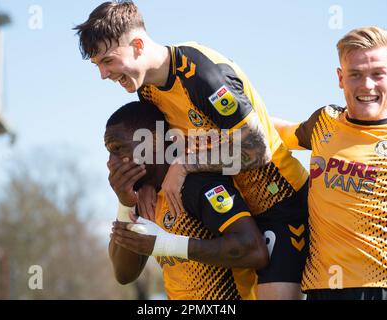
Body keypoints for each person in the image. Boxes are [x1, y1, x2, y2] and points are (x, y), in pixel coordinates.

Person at [74, 1, 309, 299]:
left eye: (108, 61)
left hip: (280, 203)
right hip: (236, 207)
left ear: (136, 45)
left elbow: (257, 148)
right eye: (98, 66)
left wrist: (185, 165)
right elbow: (170, 144)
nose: (103, 75)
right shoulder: (146, 89)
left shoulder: (201, 73)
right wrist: (146, 184)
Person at [272, 26, 387, 300]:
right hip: (322, 288)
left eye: (378, 74)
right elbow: (275, 132)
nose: (367, 85)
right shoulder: (324, 121)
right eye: (356, 74)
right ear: (340, 78)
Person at [106, 100, 268, 300]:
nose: (110, 162)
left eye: (117, 148)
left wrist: (167, 244)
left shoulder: (195, 183)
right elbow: (124, 274)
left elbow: (255, 250)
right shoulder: (143, 197)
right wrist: (125, 205)